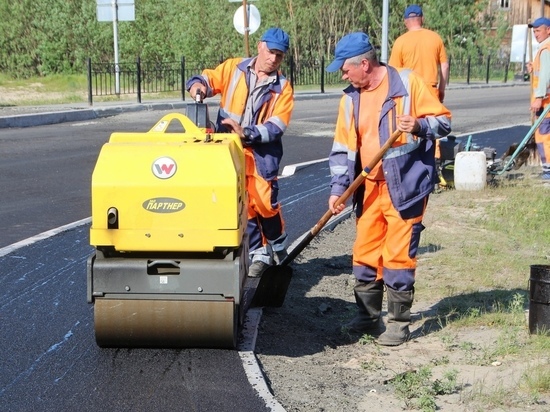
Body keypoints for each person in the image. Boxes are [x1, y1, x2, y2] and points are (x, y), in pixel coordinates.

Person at [325, 32, 451, 346]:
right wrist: (338, 189)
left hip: (405, 187)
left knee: (397, 255)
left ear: (364, 64)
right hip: (368, 188)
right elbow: (342, 149)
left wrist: (419, 126)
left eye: (345, 69)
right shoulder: (350, 98)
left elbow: (444, 122)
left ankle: (397, 323)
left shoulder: (407, 85)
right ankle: (367, 317)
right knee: (365, 252)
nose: (343, 75)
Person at [186, 28, 294, 277]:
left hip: (260, 152)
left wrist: (247, 133)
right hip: (228, 150)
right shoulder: (234, 68)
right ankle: (259, 252)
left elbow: (276, 126)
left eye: (279, 55)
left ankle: (279, 244)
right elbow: (206, 79)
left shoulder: (283, 88)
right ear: (259, 46)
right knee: (244, 203)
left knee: (265, 203)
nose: (274, 59)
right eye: (271, 52)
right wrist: (197, 87)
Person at [389, 4, 449, 103]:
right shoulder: (435, 38)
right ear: (422, 19)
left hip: (410, 92)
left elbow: (393, 72)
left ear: (405, 22)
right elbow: (445, 66)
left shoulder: (400, 42)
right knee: (432, 118)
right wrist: (441, 90)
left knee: (411, 118)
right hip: (431, 90)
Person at [527, 17, 550, 180]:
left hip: (545, 103)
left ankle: (548, 170)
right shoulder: (544, 48)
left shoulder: (546, 49)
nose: (536, 34)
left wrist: (539, 98)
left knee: (543, 136)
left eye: (538, 30)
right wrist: (533, 68)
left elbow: (546, 77)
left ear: (548, 30)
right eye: (534, 31)